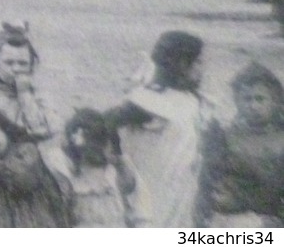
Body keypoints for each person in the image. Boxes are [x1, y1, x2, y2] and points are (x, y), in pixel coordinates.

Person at [106, 29, 212, 226]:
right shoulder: (150, 100)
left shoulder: (192, 100)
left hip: (183, 192)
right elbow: (107, 122)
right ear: (181, 65)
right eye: (198, 62)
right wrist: (119, 160)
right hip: (154, 186)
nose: (203, 69)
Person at [0, 22, 69, 226]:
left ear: (32, 65)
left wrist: (25, 95)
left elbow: (42, 129)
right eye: (9, 62)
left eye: (22, 63)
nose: (16, 69)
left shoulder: (40, 98)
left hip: (34, 181)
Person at [201, 61, 284, 227]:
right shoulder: (225, 137)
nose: (253, 106)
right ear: (237, 102)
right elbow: (209, 181)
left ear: (274, 101)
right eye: (247, 99)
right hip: (233, 219)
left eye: (260, 99)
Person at [52, 108, 140, 227]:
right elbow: (64, 212)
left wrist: (120, 164)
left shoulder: (113, 169)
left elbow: (130, 189)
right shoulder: (70, 173)